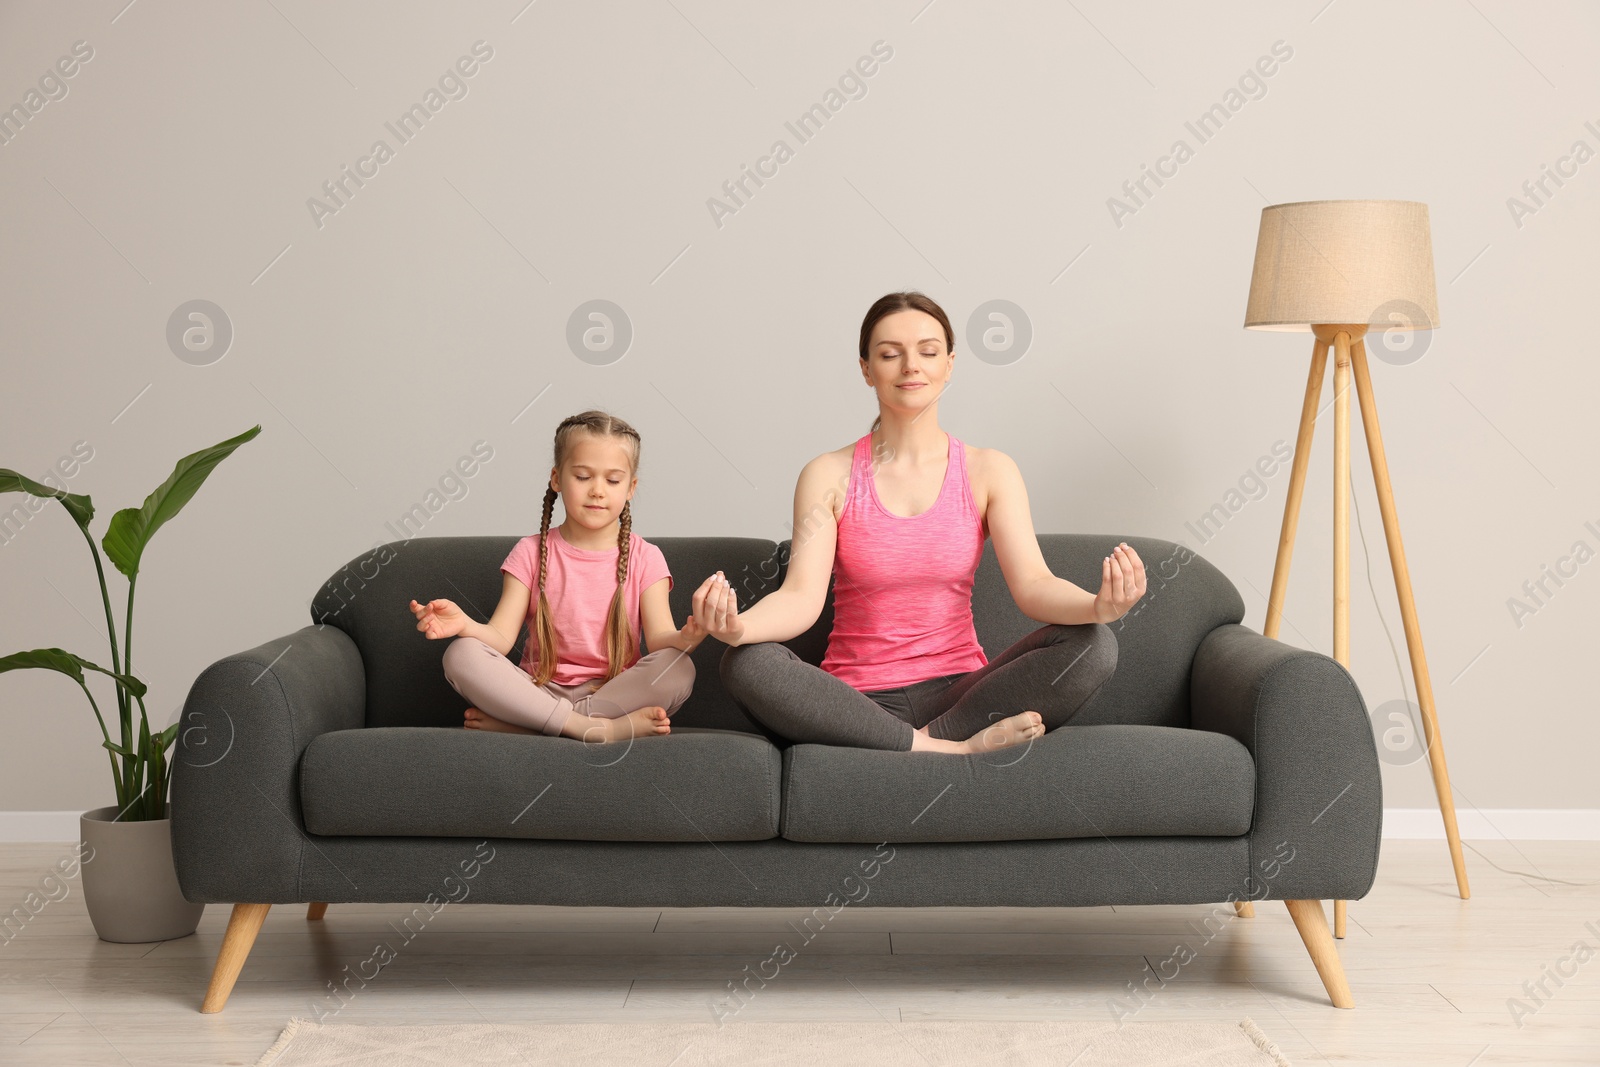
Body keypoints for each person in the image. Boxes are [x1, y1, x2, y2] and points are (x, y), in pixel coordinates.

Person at [693, 291, 1146, 755]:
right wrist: (738, 627)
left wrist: (1098, 607)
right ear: (867, 368)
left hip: (962, 696)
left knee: (1094, 645)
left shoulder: (989, 470)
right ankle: (949, 750)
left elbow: (1034, 583)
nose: (911, 366)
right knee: (746, 662)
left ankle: (911, 744)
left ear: (949, 364)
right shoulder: (828, 474)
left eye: (928, 352)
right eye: (890, 354)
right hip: (854, 702)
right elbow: (800, 598)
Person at [411, 410, 702, 743]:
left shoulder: (646, 558)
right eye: (582, 477)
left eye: (612, 480)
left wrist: (687, 637)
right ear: (557, 479)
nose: (597, 491)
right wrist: (464, 625)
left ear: (631, 487)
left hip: (611, 695)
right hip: (538, 690)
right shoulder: (529, 552)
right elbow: (500, 637)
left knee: (678, 668)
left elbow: (661, 639)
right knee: (460, 655)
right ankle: (587, 729)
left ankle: (532, 726)